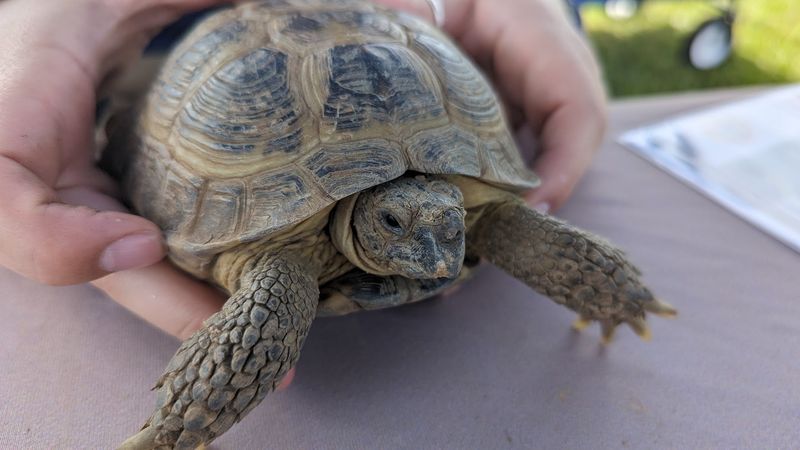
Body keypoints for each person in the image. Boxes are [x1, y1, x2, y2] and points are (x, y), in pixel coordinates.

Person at [0, 0, 605, 386]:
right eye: (394, 225)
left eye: (449, 224)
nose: (436, 243)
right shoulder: (284, 261)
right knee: (262, 322)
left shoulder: (471, 216)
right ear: (364, 223)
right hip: (170, 60)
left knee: (510, 222)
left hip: (409, 29)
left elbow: (504, 222)